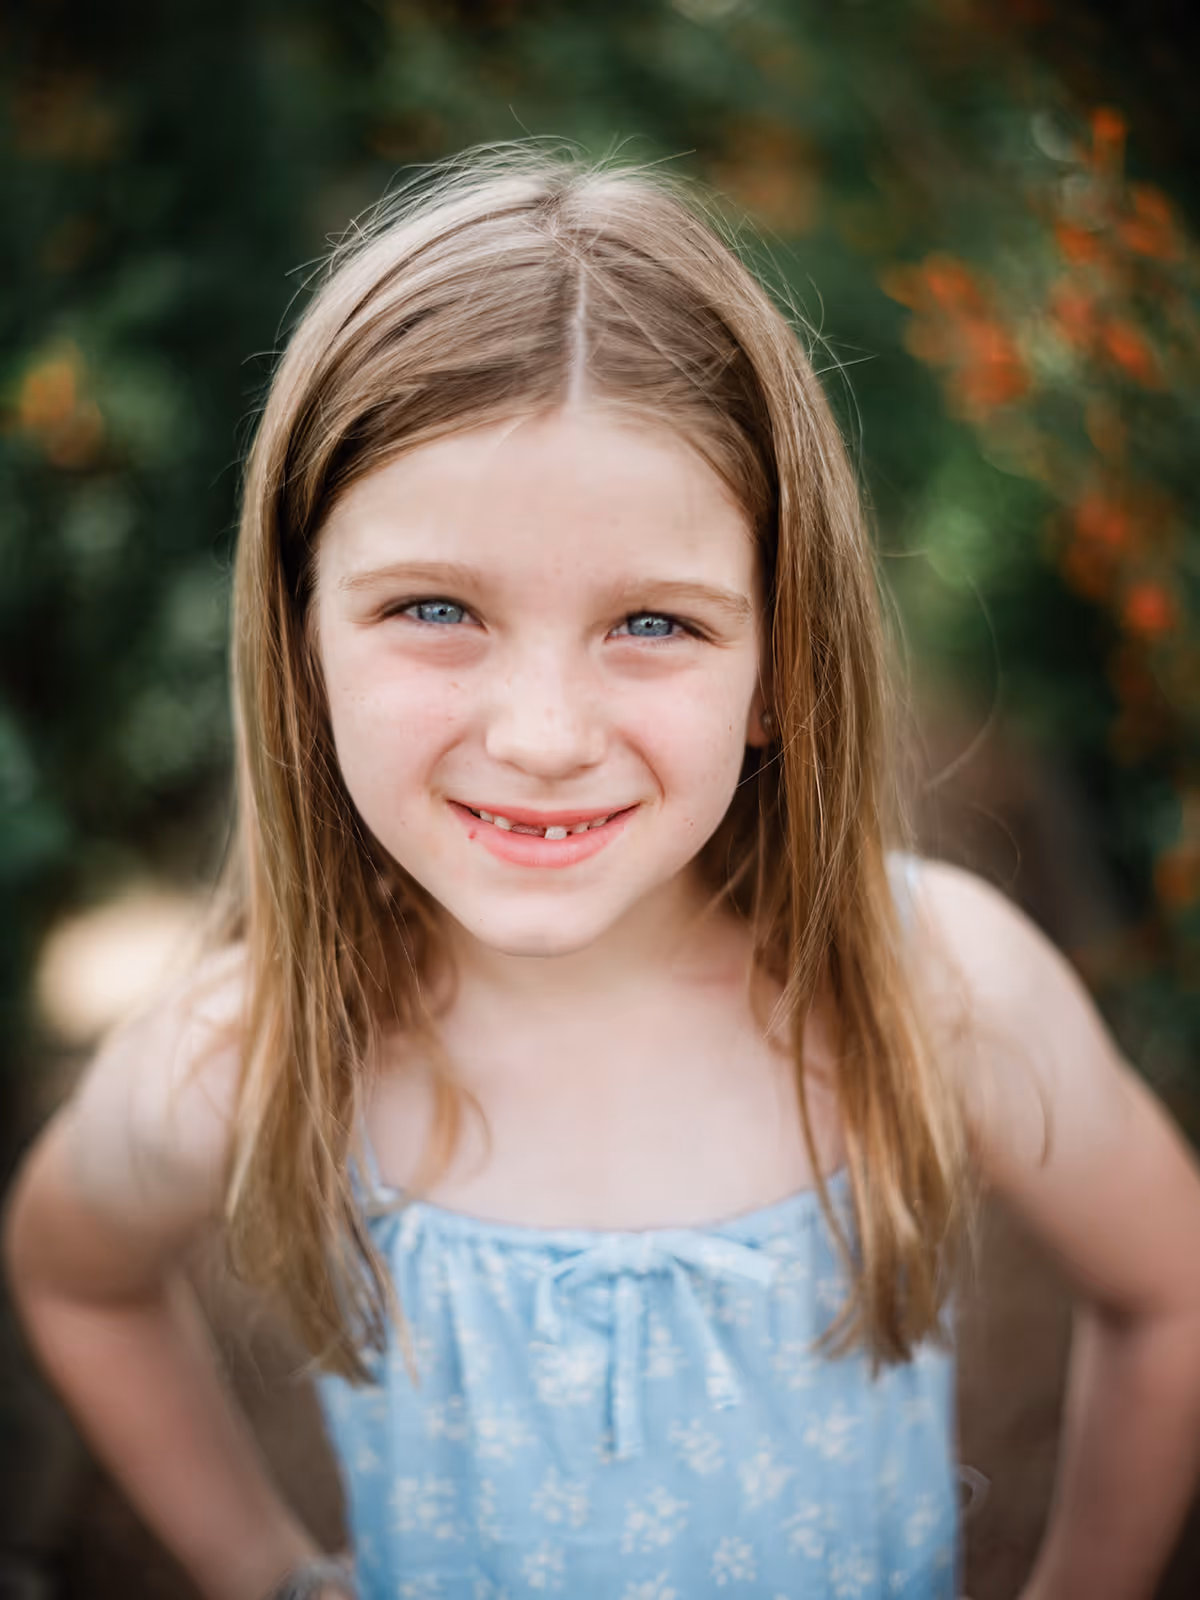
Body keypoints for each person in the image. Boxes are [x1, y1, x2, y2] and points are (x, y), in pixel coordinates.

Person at [6, 147, 1200, 1600]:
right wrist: (258, 1567)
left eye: (653, 623)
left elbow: (1169, 1288)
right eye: (436, 608)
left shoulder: (934, 985)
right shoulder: (247, 1049)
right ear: (301, 631)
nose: (546, 737)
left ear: (779, 659)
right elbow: (74, 1269)